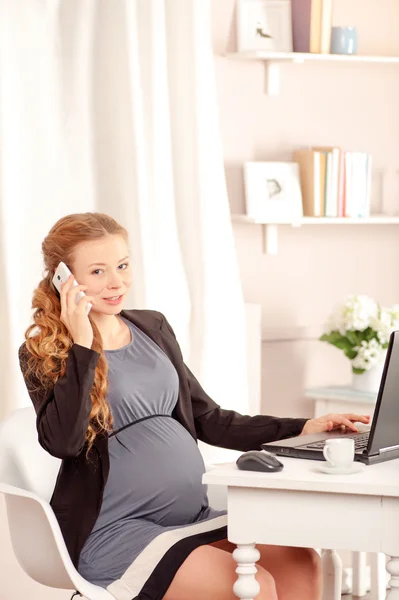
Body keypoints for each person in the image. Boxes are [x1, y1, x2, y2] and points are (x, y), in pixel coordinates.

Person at [19, 212, 370, 600]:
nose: (116, 282)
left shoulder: (152, 327)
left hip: (192, 518)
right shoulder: (47, 352)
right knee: (252, 588)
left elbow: (209, 419)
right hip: (118, 532)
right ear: (63, 278)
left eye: (122, 265)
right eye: (98, 271)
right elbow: (63, 442)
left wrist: (303, 428)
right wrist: (83, 345)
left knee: (300, 561)